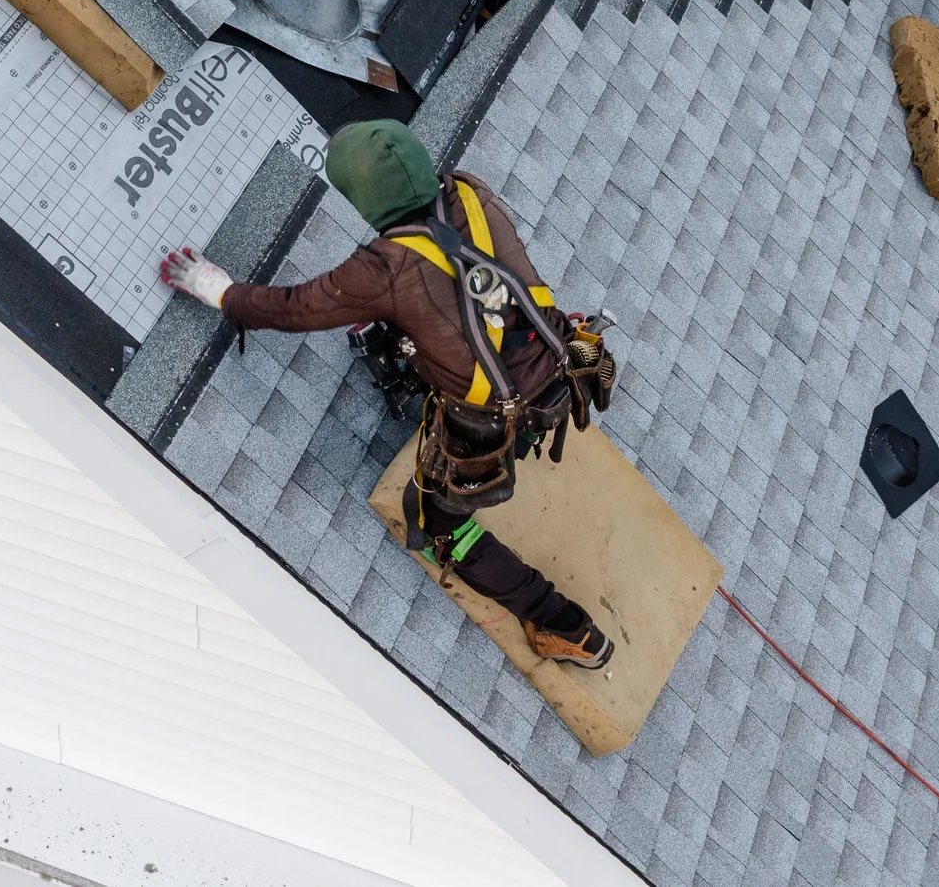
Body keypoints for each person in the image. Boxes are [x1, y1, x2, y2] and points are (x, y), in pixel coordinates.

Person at [160, 120, 614, 669]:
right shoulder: (471, 193)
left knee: (434, 520)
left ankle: (562, 626)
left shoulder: (382, 270)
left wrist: (222, 292)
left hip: (488, 425)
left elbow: (297, 308)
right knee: (418, 334)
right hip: (559, 369)